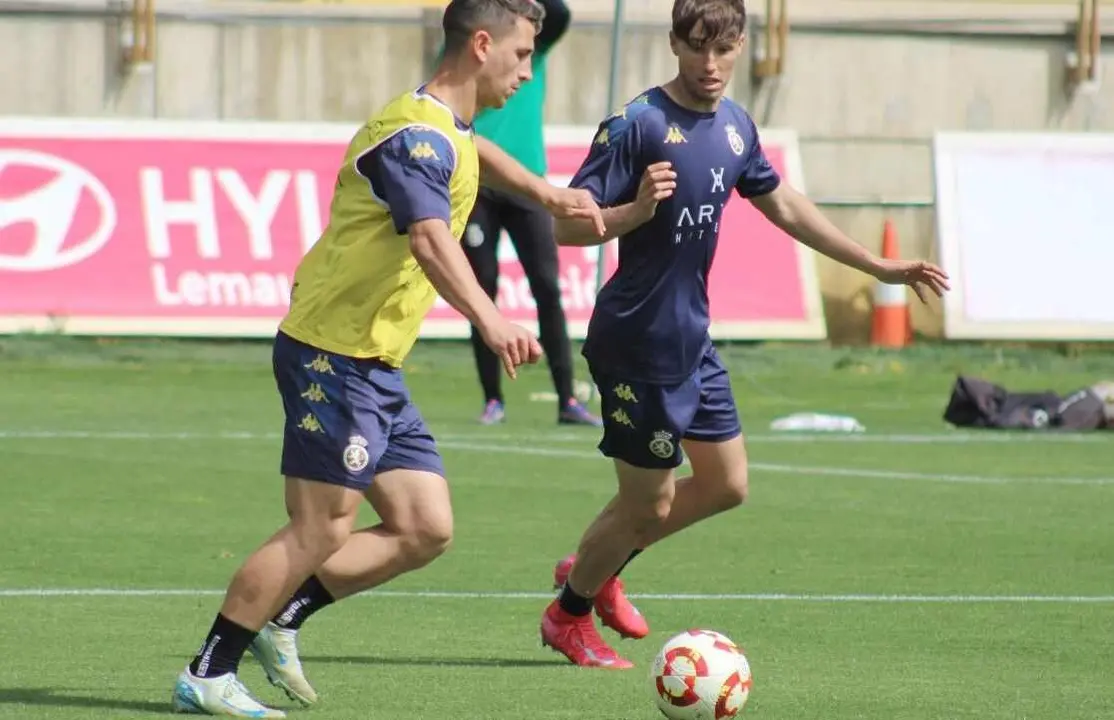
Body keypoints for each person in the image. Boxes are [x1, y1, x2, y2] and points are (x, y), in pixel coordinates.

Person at [169, 1, 606, 715]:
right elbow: (432, 241)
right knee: (322, 527)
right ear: (482, 45)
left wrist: (546, 191)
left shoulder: (447, 126)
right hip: (331, 353)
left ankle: (282, 617)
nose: (529, 70)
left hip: (374, 362)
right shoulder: (415, 139)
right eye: (523, 55)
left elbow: (478, 155)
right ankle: (207, 671)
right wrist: (491, 318)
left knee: (424, 526)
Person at [537, 0, 951, 669]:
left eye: (725, 48)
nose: (711, 64)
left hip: (691, 342)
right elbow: (566, 224)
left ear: (741, 46)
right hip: (638, 344)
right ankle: (569, 614)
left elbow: (782, 203)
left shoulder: (734, 125)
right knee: (650, 500)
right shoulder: (638, 125)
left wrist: (875, 265)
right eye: (698, 47)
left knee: (726, 484)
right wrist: (634, 211)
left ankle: (598, 559)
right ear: (674, 43)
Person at [462, 0, 601, 427]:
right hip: (478, 185)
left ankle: (568, 400)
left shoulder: (528, 49)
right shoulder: (469, 52)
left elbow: (558, 15)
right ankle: (493, 400)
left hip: (527, 184)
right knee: (482, 291)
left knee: (546, 286)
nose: (520, 70)